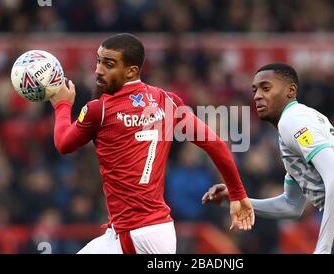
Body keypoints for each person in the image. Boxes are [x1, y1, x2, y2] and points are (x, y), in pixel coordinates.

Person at [49, 33, 254, 254]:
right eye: (98, 61)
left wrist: (62, 105)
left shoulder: (99, 110)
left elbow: (63, 144)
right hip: (157, 232)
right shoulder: (167, 101)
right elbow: (215, 144)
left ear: (132, 71)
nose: (99, 70)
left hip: (134, 233)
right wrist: (238, 194)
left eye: (109, 64)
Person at [202, 63, 334, 254]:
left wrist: (322, 247)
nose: (258, 96)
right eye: (255, 90)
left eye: (266, 88)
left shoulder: (294, 122)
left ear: (290, 91)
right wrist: (236, 201)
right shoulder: (291, 129)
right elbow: (292, 205)